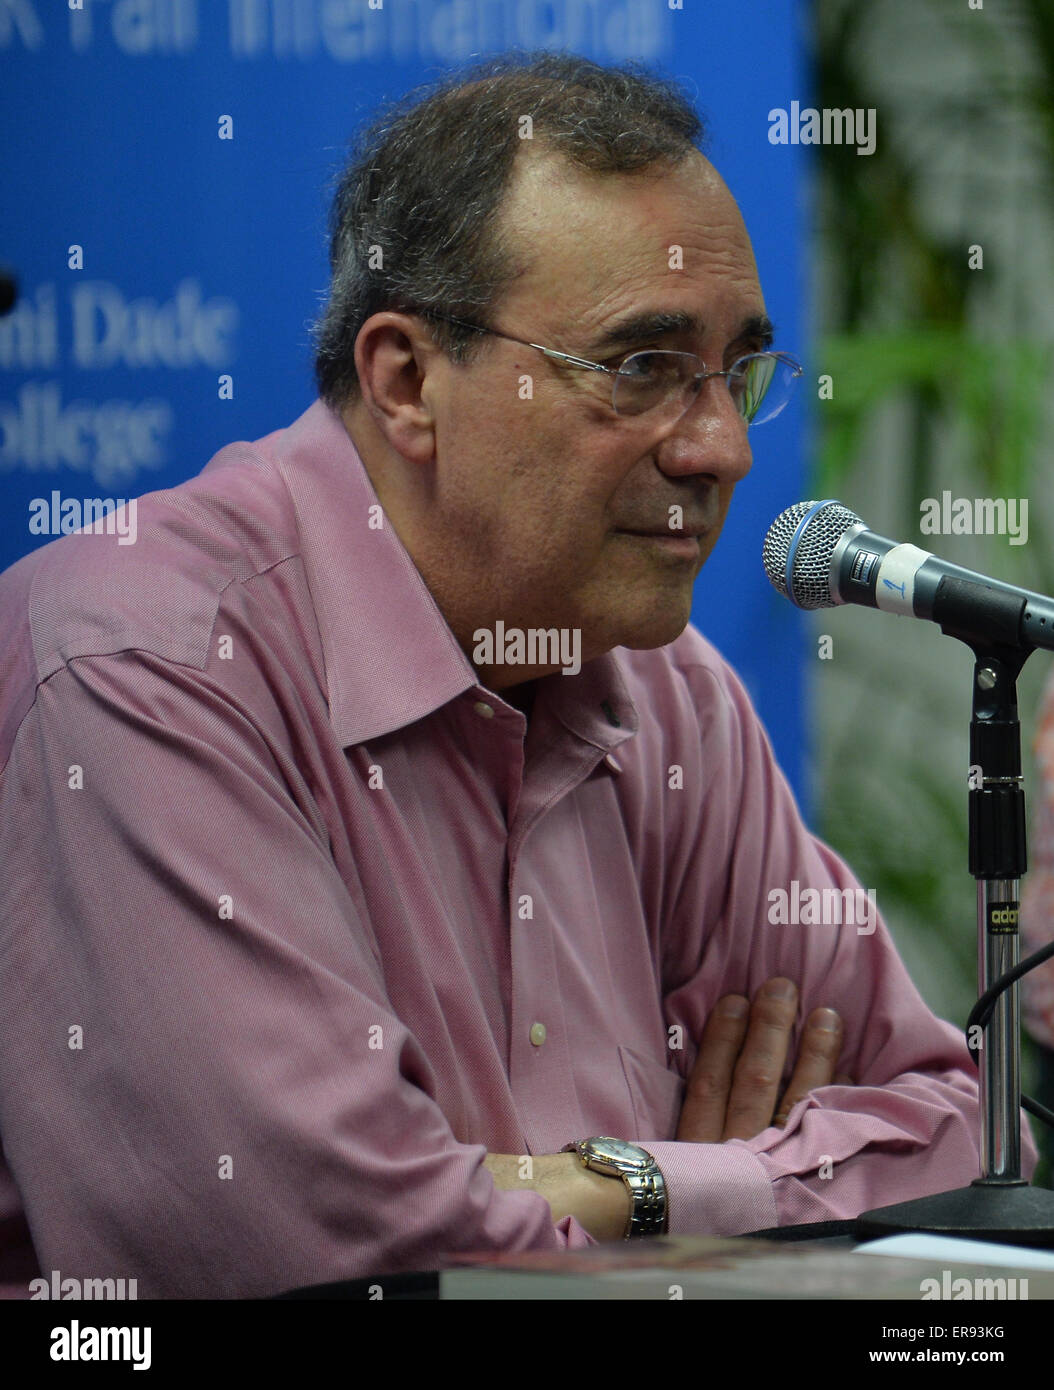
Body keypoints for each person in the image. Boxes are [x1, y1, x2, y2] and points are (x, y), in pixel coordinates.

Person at [0, 52, 1033, 1299]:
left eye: (735, 372)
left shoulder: (672, 695)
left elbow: (969, 1142)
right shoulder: (142, 666)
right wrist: (721, 1220)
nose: (719, 449)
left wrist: (629, 1185)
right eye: (641, 369)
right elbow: (345, 1265)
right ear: (408, 381)